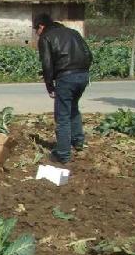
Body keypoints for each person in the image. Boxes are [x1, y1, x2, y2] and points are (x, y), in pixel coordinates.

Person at [33, 13, 92, 164]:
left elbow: (47, 64)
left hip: (66, 77)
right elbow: (89, 55)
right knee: (73, 108)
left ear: (41, 26)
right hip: (83, 75)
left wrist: (49, 86)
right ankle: (78, 142)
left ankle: (63, 154)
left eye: (36, 30)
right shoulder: (73, 33)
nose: (36, 34)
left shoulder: (46, 37)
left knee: (63, 116)